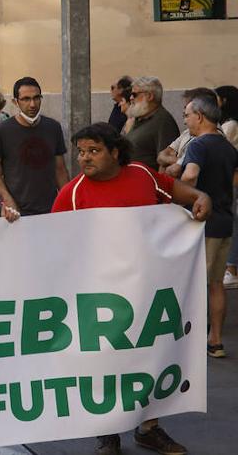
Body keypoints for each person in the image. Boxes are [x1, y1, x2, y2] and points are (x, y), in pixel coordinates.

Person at [50, 122, 209, 455]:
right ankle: (107, 433)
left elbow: (179, 191)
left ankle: (148, 428)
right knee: (105, 365)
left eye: (93, 151)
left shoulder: (142, 175)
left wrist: (199, 197)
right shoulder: (73, 193)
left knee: (150, 359)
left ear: (115, 152)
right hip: (100, 296)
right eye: (80, 152)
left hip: (149, 291)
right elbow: (53, 244)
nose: (84, 159)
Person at [177, 97, 237, 359]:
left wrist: (182, 195)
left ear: (200, 116)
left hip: (203, 221)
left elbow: (190, 175)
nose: (186, 120)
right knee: (215, 284)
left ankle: (194, 340)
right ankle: (215, 341)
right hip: (225, 220)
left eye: (187, 115)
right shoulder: (227, 146)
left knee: (197, 283)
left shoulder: (198, 145)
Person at [0, 77, 68, 217]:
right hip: (16, 212)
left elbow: (60, 168)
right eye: (26, 99)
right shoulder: (2, 130)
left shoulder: (53, 127)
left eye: (36, 98)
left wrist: (68, 200)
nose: (32, 104)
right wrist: (7, 200)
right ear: (15, 102)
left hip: (51, 209)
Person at [124, 76, 180, 169]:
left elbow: (165, 162)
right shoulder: (141, 118)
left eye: (134, 94)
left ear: (149, 96)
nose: (131, 98)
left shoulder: (163, 121)